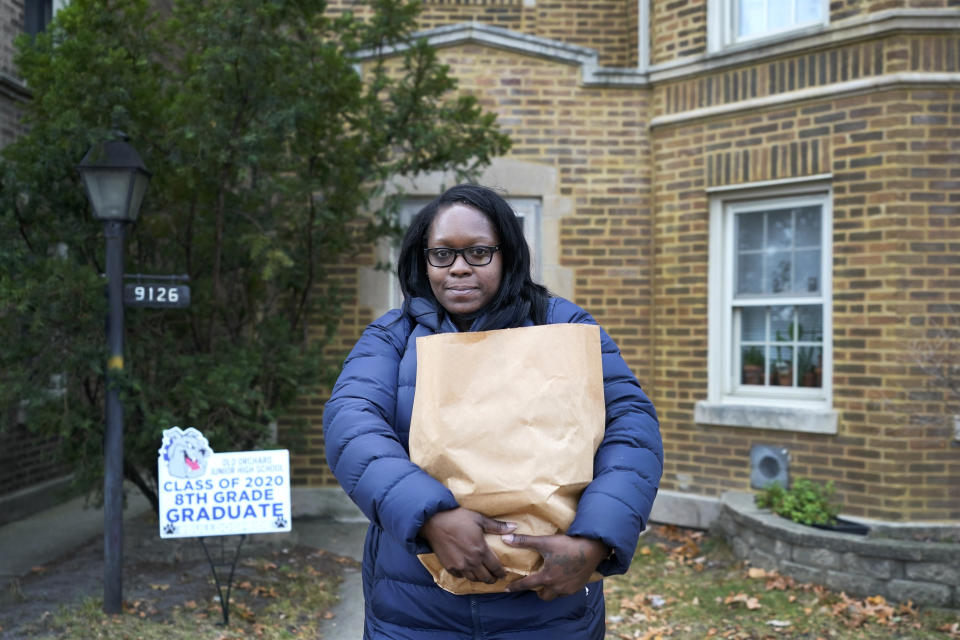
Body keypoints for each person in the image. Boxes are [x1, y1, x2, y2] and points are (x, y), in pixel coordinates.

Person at [323, 184, 663, 639]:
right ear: (422, 260)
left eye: (479, 252)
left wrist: (594, 541)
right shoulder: (391, 337)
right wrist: (430, 518)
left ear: (507, 254)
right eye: (442, 254)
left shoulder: (565, 327)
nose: (459, 268)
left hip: (547, 604)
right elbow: (352, 427)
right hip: (417, 603)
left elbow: (631, 430)